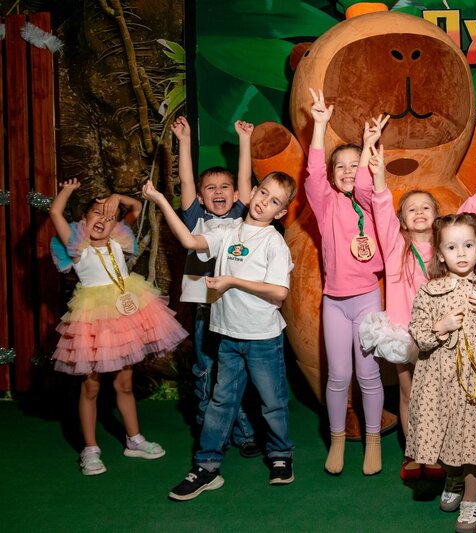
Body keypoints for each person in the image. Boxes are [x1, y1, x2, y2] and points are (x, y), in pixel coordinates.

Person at [143, 173, 298, 500]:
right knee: (220, 402)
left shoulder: (274, 242)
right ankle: (207, 467)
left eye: (274, 201)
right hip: (227, 336)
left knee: (272, 402)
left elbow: (279, 292)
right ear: (252, 192)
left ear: (281, 212)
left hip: (263, 339)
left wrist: (232, 281)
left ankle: (281, 455)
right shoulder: (227, 231)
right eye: (263, 193)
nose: (264, 202)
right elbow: (189, 241)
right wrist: (159, 200)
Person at [359, 145, 476, 481]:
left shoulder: (445, 249)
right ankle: (415, 454)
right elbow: (381, 206)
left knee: (442, 396)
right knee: (410, 394)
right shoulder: (395, 244)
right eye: (411, 209)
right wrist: (379, 176)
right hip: (404, 334)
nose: (419, 212)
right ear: (402, 219)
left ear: (436, 216)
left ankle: (440, 452)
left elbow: (467, 218)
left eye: (425, 207)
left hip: (444, 332)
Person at [49, 179, 187, 476]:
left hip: (125, 317)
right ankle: (90, 449)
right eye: (97, 214)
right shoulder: (78, 247)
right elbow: (56, 212)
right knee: (91, 385)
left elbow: (136, 206)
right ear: (84, 220)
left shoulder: (118, 241)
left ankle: (134, 439)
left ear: (116, 226)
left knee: (124, 383)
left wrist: (115, 197)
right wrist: (68, 191)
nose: (104, 219)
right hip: (93, 320)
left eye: (110, 217)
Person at [407, 212, 476, 533]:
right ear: (441, 254)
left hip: (475, 383)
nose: (461, 253)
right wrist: (440, 326)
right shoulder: (429, 292)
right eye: (452, 247)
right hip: (437, 382)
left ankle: (470, 500)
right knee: (441, 437)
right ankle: (453, 477)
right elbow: (419, 334)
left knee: (474, 440)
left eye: (468, 245)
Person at [306, 88, 387, 476]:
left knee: (368, 375)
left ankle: (373, 440)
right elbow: (312, 175)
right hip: (334, 303)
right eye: (340, 166)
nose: (348, 171)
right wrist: (320, 126)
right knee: (338, 376)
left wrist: (369, 147)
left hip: (367, 298)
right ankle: (337, 439)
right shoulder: (326, 205)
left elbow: (370, 186)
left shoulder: (371, 201)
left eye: (355, 165)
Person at [171, 115, 259, 458]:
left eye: (224, 187)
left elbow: (245, 179)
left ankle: (245, 433)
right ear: (201, 197)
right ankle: (211, 434)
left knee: (235, 374)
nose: (218, 192)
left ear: (235, 195)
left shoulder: (241, 217)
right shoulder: (196, 219)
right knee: (207, 372)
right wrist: (184, 140)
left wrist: (244, 141)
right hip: (206, 311)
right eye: (210, 188)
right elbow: (185, 179)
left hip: (236, 309)